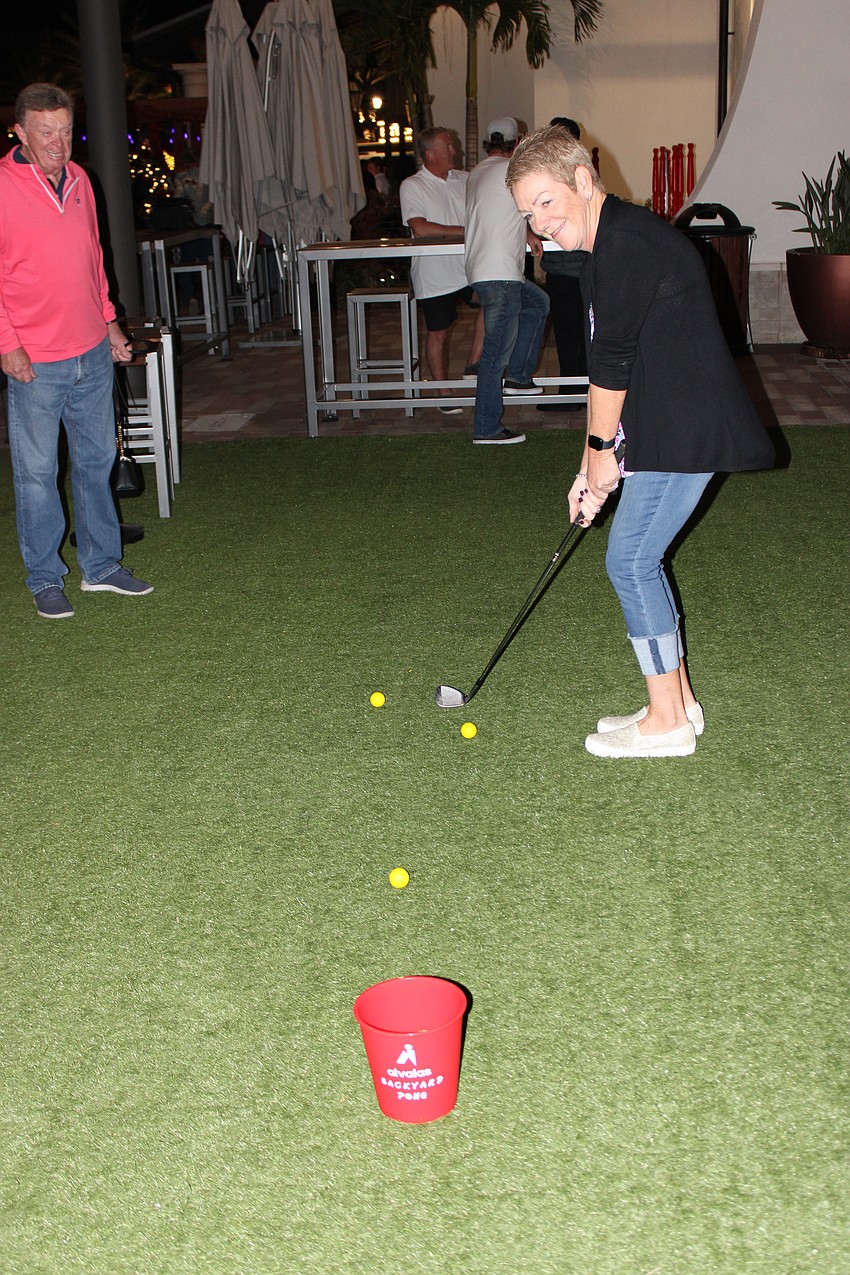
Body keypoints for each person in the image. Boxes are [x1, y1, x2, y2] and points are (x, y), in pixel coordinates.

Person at [507, 125, 775, 758]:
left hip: (686, 432)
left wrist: (603, 458)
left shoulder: (625, 243)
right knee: (636, 559)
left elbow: (613, 362)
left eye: (547, 201)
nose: (540, 223)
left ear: (582, 179)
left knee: (629, 562)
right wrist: (589, 467)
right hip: (667, 426)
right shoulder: (611, 241)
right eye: (528, 212)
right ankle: (677, 704)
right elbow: (624, 366)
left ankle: (668, 723)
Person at [0, 82, 153, 619]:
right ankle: (45, 577)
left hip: (90, 349)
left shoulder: (82, 181)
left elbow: (94, 260)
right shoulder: (2, 186)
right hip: (35, 359)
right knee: (38, 472)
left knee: (95, 462)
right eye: (46, 133)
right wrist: (7, 345)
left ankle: (103, 567)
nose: (59, 143)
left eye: (65, 131)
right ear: (20, 131)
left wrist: (110, 323)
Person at [464, 117, 549, 444]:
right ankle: (486, 427)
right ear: (517, 144)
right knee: (494, 353)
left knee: (538, 303)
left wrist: (524, 232)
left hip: (484, 269)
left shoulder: (478, 171)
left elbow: (498, 211)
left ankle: (518, 375)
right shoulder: (514, 172)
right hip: (500, 273)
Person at [399, 128, 484, 414]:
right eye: (447, 146)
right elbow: (419, 228)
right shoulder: (412, 185)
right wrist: (463, 231)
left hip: (468, 267)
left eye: (452, 145)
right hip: (434, 273)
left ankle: (473, 363)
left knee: (495, 300)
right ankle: (443, 392)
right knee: (438, 333)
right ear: (429, 154)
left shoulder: (465, 179)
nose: (454, 150)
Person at [536, 117, 588, 414]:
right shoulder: (547, 172)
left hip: (579, 264)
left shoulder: (578, 174)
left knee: (581, 330)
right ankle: (573, 388)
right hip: (559, 265)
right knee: (568, 332)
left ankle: (580, 389)